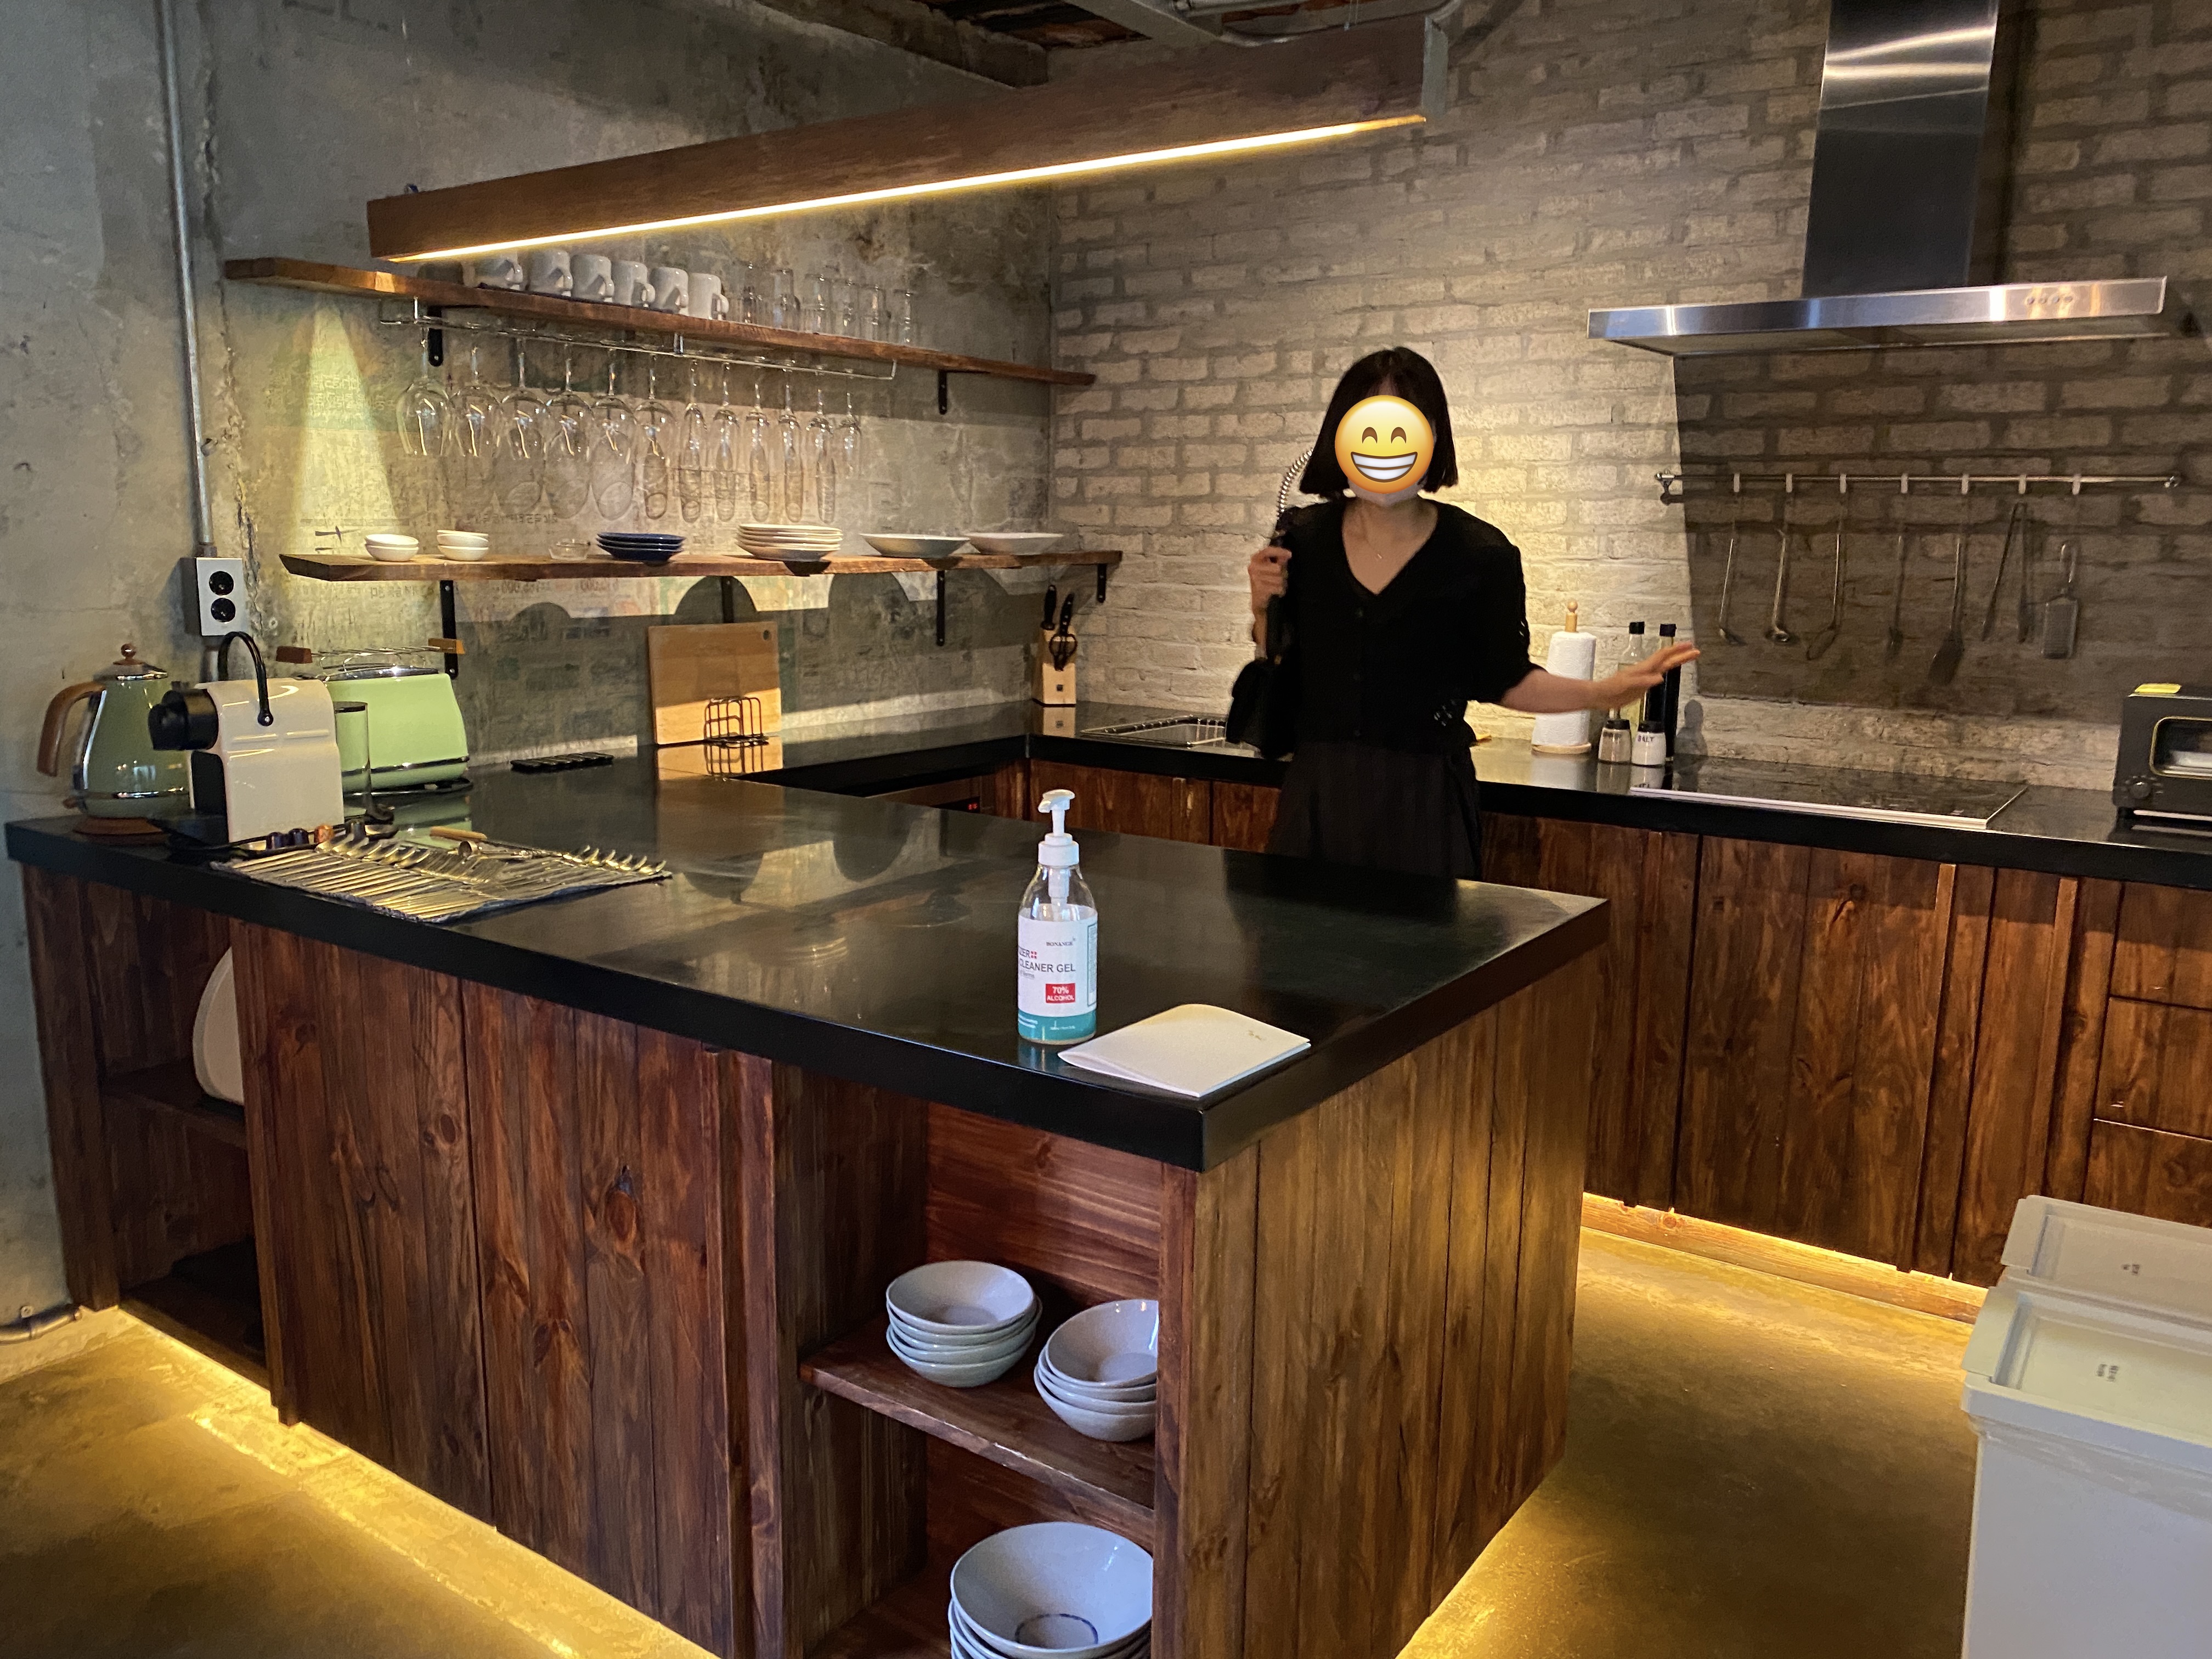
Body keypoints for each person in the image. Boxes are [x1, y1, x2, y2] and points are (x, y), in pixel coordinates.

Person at [1246, 347, 1698, 879]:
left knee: (1424, 937)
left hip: (1426, 802)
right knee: (1301, 934)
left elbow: (1504, 679)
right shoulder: (1302, 538)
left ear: (1433, 435)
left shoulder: (1479, 553)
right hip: (1317, 795)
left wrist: (1604, 693)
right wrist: (1261, 606)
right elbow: (1278, 652)